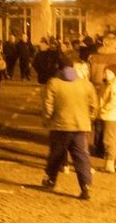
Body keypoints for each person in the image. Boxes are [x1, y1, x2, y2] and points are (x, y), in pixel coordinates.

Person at [41, 57, 97, 200]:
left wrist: (47, 120)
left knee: (56, 155)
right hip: (80, 126)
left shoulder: (53, 83)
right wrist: (88, 119)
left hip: (60, 126)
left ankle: (51, 180)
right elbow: (94, 106)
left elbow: (48, 105)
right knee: (81, 157)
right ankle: (85, 186)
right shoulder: (85, 84)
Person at [96, 65, 116, 174]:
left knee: (108, 140)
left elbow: (114, 102)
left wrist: (103, 109)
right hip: (110, 115)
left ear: (114, 74)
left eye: (109, 72)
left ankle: (109, 164)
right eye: (105, 72)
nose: (106, 74)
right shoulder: (108, 84)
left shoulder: (115, 86)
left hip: (111, 116)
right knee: (113, 139)